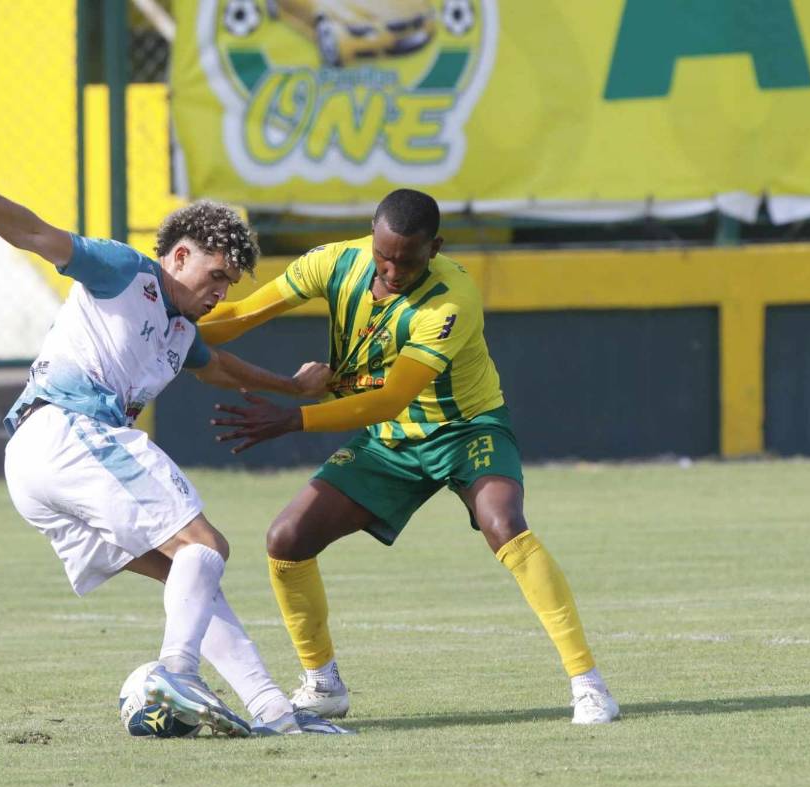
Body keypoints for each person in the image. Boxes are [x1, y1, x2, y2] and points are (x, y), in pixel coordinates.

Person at [0, 137, 350, 737]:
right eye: (216, 276)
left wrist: (293, 388)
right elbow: (33, 232)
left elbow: (221, 370)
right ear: (180, 255)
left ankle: (275, 713)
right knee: (205, 546)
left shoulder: (182, 329)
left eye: (229, 286)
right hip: (66, 430)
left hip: (42, 461)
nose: (219, 294)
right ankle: (175, 672)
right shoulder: (126, 272)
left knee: (190, 572)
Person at [203, 188, 620, 724]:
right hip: (390, 441)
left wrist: (292, 419)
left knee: (504, 522)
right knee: (286, 540)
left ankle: (589, 684)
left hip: (465, 429)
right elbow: (238, 315)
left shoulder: (452, 299)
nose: (392, 270)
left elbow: (391, 396)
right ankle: (323, 683)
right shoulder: (334, 263)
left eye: (407, 259)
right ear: (371, 238)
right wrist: (172, 322)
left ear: (435, 247)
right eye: (383, 255)